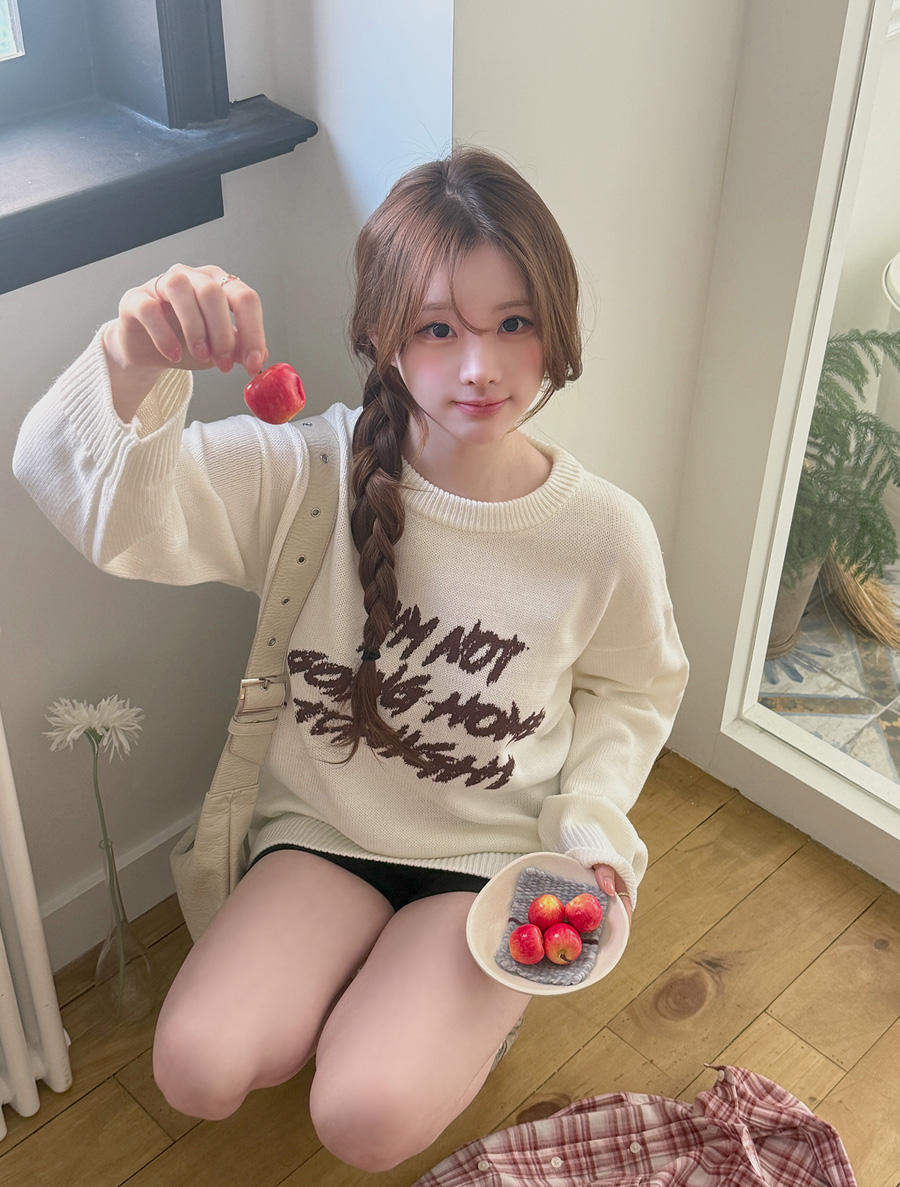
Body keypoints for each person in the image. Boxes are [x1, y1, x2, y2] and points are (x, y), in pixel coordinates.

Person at [13, 147, 688, 1172]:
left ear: (557, 324)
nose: (480, 367)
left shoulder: (603, 531)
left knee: (363, 1118)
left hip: (490, 859)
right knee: (195, 1067)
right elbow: (100, 507)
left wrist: (591, 823)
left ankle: (446, 1010)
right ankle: (372, 987)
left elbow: (635, 689)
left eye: (514, 322)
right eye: (438, 328)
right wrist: (131, 356)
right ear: (380, 334)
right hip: (324, 833)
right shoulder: (308, 474)